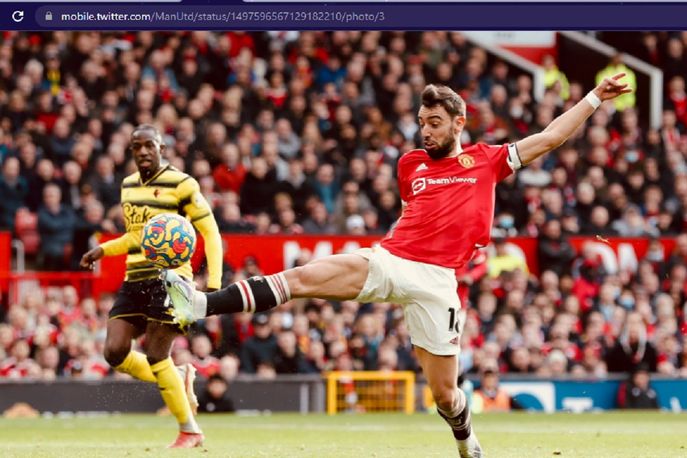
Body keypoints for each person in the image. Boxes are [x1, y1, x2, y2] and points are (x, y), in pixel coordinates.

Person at [163, 77, 631, 458]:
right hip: (390, 259)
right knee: (303, 278)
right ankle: (201, 302)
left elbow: (550, 138)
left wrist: (593, 98)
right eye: (421, 123)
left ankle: (467, 442)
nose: (425, 132)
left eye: (434, 123)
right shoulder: (411, 164)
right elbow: (415, 214)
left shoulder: (487, 160)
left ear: (458, 122)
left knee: (445, 397)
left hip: (438, 283)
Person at [80, 124, 223, 448]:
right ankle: (180, 376)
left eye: (149, 145)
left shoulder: (183, 184)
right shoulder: (128, 186)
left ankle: (189, 430)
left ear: (162, 147)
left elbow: (210, 232)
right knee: (114, 352)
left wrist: (213, 282)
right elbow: (138, 236)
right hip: (135, 277)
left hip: (171, 279)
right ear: (131, 151)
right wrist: (104, 249)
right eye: (137, 147)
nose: (143, 152)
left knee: (157, 355)